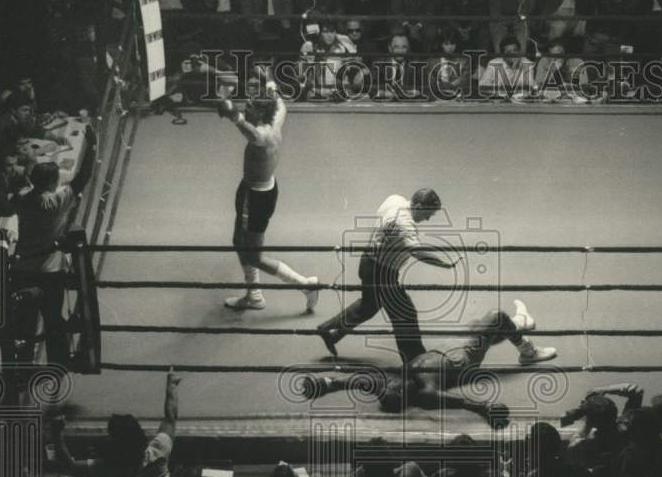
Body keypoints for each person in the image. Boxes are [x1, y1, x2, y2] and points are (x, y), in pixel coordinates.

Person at [305, 300, 556, 425]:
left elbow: (362, 381)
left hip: (446, 348)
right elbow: (453, 401)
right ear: (403, 393)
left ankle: (522, 322)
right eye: (392, 388)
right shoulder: (425, 389)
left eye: (387, 386)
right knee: (496, 317)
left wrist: (327, 384)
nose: (389, 384)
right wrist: (483, 407)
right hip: (463, 356)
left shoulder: (398, 383)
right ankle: (528, 352)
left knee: (481, 326)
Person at [315, 188, 451, 363]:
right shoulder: (404, 223)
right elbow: (417, 251)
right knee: (404, 311)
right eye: (427, 214)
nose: (427, 219)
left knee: (369, 305)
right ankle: (415, 360)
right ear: (417, 206)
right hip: (381, 271)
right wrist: (444, 263)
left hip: (369, 262)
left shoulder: (395, 199)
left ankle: (329, 330)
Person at [217, 83, 319, 312]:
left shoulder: (262, 135)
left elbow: (250, 132)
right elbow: (281, 102)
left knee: (254, 256)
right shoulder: (277, 116)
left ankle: (305, 285)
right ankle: (254, 296)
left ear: (261, 112)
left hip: (255, 198)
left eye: (251, 106)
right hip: (258, 190)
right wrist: (268, 81)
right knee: (238, 241)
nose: (247, 107)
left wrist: (232, 113)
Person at [51, 367, 182, 477]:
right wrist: (171, 386)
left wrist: (57, 433)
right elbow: (171, 417)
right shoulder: (158, 454)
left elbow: (69, 465)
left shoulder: (107, 466)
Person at [13, 126, 98, 367]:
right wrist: (92, 146)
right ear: (53, 182)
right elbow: (83, 177)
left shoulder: (22, 198)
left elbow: (27, 186)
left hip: (23, 268)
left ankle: (23, 365)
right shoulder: (57, 202)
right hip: (49, 270)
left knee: (26, 321)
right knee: (53, 319)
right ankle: (58, 363)